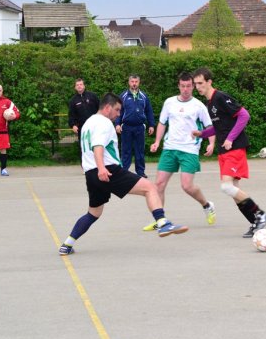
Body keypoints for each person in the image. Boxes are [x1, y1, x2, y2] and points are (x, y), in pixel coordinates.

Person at [58, 93, 188, 256]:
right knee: (150, 188)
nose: (119, 114)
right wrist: (102, 168)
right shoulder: (104, 122)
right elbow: (98, 146)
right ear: (107, 108)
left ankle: (67, 244)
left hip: (91, 174)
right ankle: (163, 223)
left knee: (93, 213)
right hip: (107, 170)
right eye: (117, 110)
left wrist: (98, 169)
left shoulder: (88, 123)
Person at [192, 67, 266, 238]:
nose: (197, 87)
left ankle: (260, 214)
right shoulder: (210, 103)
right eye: (195, 84)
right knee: (233, 191)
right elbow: (219, 126)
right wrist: (202, 134)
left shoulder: (220, 97)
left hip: (234, 149)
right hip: (224, 151)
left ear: (209, 82)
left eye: (200, 83)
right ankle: (256, 223)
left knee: (227, 187)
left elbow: (244, 115)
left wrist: (230, 138)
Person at [143, 72, 217, 231]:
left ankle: (207, 205)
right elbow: (162, 123)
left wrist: (211, 144)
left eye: (189, 86)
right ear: (178, 86)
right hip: (170, 148)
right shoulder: (169, 102)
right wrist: (157, 141)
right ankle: (160, 220)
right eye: (183, 86)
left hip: (189, 149)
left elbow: (209, 126)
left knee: (187, 186)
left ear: (193, 87)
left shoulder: (198, 106)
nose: (185, 89)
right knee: (159, 184)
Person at [115, 75, 155, 177]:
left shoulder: (143, 96)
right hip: (126, 127)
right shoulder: (123, 96)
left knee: (139, 150)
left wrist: (151, 125)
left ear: (139, 82)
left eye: (136, 81)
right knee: (126, 150)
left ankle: (140, 172)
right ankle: (124, 171)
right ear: (129, 82)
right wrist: (117, 124)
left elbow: (149, 111)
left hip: (139, 127)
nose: (134, 83)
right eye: (132, 81)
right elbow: (119, 111)